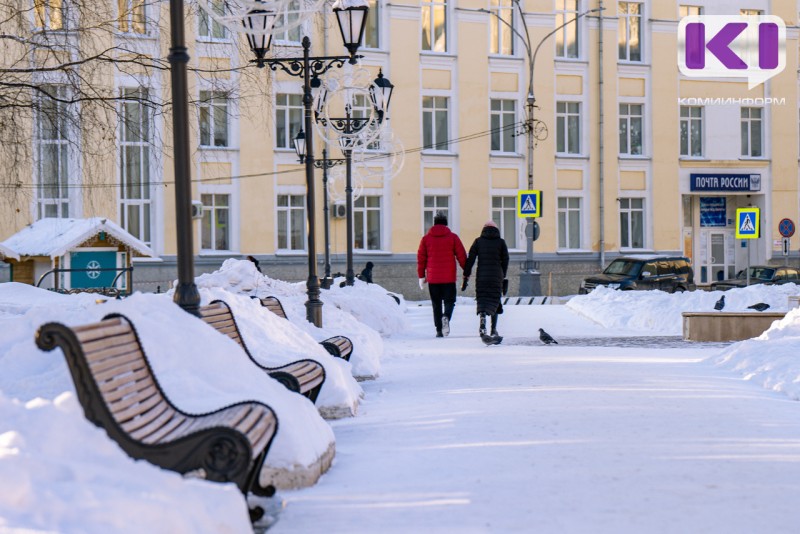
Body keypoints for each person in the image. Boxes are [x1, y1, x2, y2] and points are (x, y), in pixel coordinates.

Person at [417, 211, 467, 338]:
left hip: (433, 279)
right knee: (450, 301)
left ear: (434, 224)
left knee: (436, 304)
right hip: (449, 278)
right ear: (446, 224)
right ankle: (446, 316)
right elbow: (461, 255)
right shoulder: (453, 237)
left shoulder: (426, 239)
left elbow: (421, 258)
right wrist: (466, 270)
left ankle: (439, 329)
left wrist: (421, 276)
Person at [462, 220, 509, 343]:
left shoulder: (478, 241)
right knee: (495, 299)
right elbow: (506, 259)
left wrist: (466, 274)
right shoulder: (501, 242)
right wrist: (503, 274)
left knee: (482, 299)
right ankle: (493, 329)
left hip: (482, 275)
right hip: (496, 276)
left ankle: (482, 319)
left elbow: (471, 258)